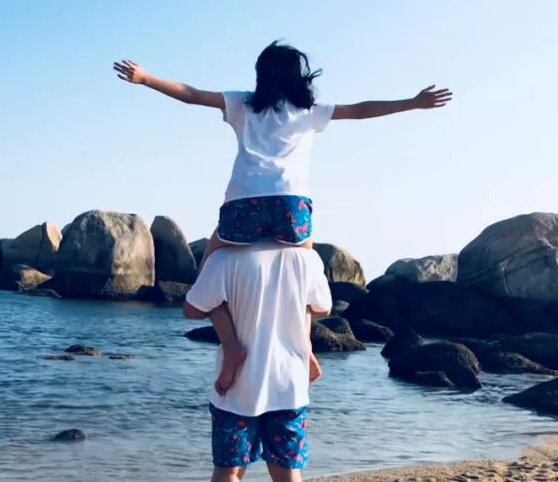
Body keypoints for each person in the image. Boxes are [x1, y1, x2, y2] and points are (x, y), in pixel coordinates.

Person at [114, 43, 451, 396]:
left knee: (207, 272)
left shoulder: (243, 104)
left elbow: (192, 95)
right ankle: (305, 349)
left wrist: (146, 78)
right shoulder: (309, 111)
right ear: (299, 77)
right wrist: (413, 102)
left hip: (244, 204)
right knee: (303, 278)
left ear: (261, 76)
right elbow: (361, 110)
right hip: (292, 207)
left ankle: (231, 346)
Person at [183, 241, 333, 482]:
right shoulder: (306, 259)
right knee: (288, 476)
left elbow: (192, 306)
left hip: (237, 387)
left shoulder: (225, 258)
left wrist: (213, 249)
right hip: (288, 385)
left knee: (228, 472)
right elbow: (321, 306)